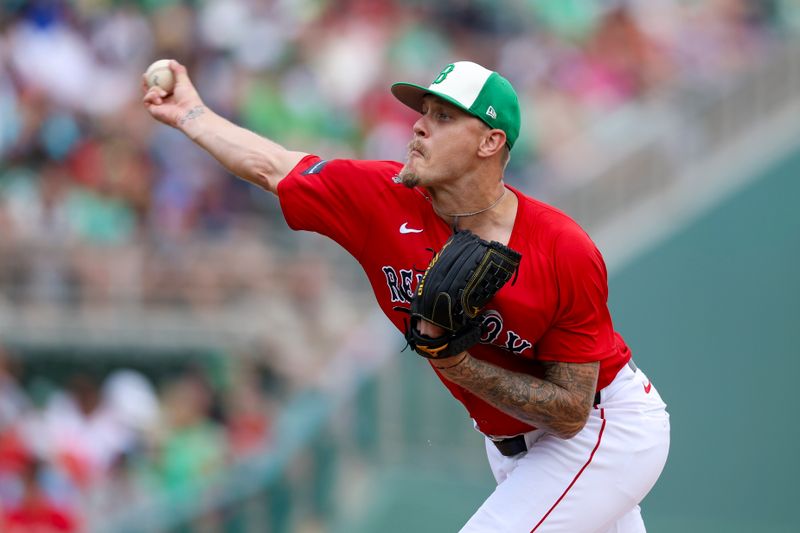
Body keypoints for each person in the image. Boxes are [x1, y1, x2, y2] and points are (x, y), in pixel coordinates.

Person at [142, 59, 670, 532]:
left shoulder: (561, 248)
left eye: (443, 117)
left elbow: (571, 411)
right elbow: (273, 164)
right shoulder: (380, 198)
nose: (418, 125)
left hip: (603, 429)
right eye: (422, 112)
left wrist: (455, 362)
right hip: (512, 447)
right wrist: (191, 113)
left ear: (490, 142)